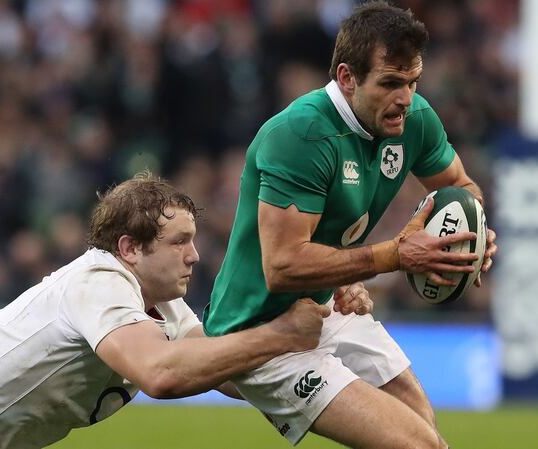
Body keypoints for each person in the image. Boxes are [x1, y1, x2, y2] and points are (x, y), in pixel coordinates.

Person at [0, 172, 331, 449]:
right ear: (129, 248)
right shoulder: (97, 281)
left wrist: (320, 311)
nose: (195, 255)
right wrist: (283, 334)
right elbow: (162, 375)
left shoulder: (165, 307)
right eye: (179, 241)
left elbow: (224, 369)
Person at [203, 2, 499, 449]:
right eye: (391, 83)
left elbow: (460, 185)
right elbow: (282, 267)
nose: (406, 98)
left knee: (430, 439)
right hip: (258, 333)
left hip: (327, 309)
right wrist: (394, 256)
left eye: (413, 81)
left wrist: (472, 233)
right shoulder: (302, 135)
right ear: (347, 77)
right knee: (415, 444)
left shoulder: (414, 119)